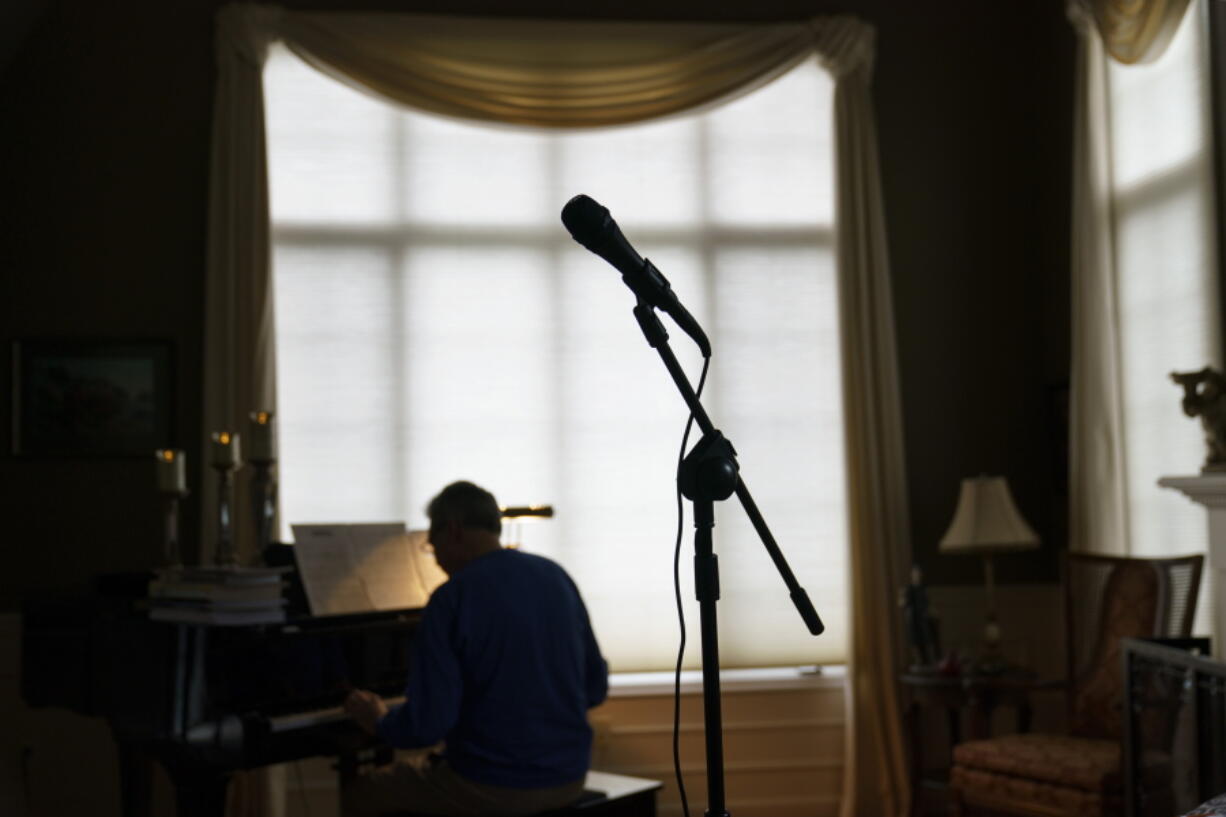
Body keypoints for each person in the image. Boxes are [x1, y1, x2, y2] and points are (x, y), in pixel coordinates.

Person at [342, 481, 608, 817]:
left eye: (431, 543)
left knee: (363, 793)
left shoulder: (451, 599)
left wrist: (379, 719)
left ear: (452, 530)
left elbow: (425, 727)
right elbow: (595, 689)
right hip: (569, 776)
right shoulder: (556, 576)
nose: (435, 555)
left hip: (493, 786)